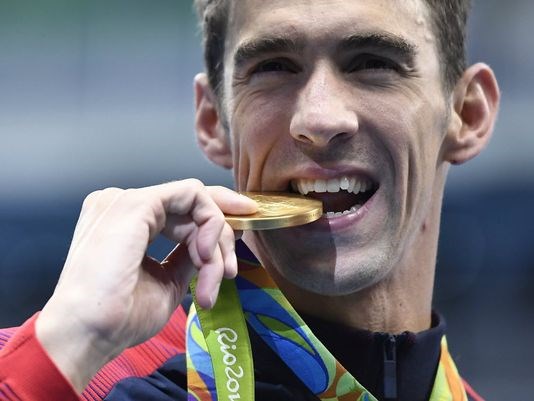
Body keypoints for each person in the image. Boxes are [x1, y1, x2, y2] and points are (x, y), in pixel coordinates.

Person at [0, 0, 500, 400]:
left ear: (467, 114)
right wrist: (71, 341)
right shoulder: (73, 375)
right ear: (213, 121)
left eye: (372, 63)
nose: (319, 120)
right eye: (274, 67)